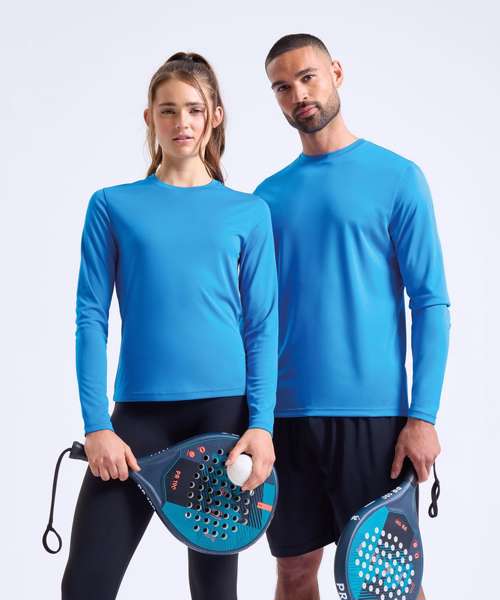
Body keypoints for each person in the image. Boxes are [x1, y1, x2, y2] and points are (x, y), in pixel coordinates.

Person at [61, 52, 278, 600]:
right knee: (85, 586)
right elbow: (91, 318)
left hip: (223, 419)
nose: (182, 122)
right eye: (168, 110)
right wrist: (97, 425)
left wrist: (261, 425)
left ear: (215, 116)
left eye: (194, 110)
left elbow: (261, 327)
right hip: (138, 422)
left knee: (214, 591)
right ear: (149, 118)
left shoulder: (248, 212)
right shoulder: (112, 206)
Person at [253, 34, 450, 600]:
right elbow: (256, 318)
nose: (298, 95)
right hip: (286, 419)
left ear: (336, 72)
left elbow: (430, 302)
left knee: (386, 581)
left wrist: (423, 415)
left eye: (307, 77)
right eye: (282, 87)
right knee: (294, 572)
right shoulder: (266, 197)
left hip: (374, 419)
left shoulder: (397, 177)